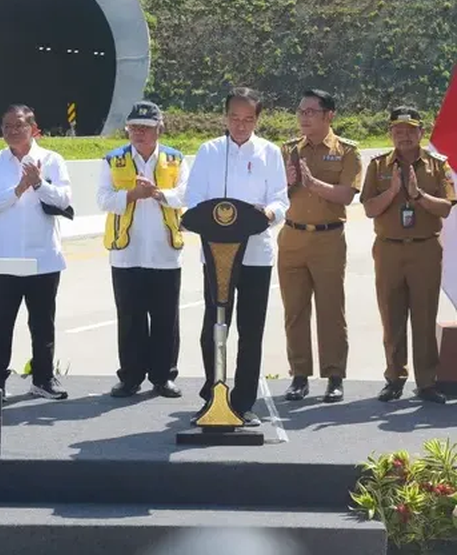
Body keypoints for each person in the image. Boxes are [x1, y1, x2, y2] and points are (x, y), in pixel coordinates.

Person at [185, 87, 289, 427]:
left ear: (257, 119)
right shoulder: (208, 151)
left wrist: (269, 214)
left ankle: (243, 402)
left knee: (250, 330)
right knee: (213, 328)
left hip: (257, 254)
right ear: (225, 116)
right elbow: (194, 199)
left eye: (248, 119)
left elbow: (280, 200)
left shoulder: (270, 152)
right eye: (234, 118)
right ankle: (213, 394)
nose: (240, 125)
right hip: (216, 255)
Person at [361, 106, 456, 404]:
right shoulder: (378, 166)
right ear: (390, 133)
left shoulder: (438, 165)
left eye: (410, 130)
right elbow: (368, 209)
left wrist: (417, 195)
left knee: (425, 317)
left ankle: (427, 382)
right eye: (397, 131)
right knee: (391, 316)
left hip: (425, 248)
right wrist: (392, 192)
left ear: (421, 132)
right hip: (388, 248)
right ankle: (394, 378)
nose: (404, 136)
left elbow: (446, 207)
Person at [0, 104, 71, 401]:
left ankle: (43, 379)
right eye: (6, 126)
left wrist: (39, 183)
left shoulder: (52, 160)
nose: (11, 131)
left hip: (42, 258)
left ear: (32, 127)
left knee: (43, 322)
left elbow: (64, 199)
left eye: (18, 125)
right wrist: (19, 188)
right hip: (3, 258)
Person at [97, 101, 188, 399]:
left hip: (164, 253)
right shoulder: (113, 159)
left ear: (159, 128)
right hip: (127, 253)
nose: (139, 133)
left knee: (165, 318)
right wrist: (132, 195)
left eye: (146, 128)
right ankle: (130, 377)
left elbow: (187, 194)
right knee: (130, 317)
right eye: (134, 127)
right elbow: (103, 199)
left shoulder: (175, 159)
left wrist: (160, 195)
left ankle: (164, 377)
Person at [278, 89, 362, 403]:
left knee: (331, 309)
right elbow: (271, 195)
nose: (304, 117)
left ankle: (334, 376)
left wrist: (313, 184)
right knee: (295, 310)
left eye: (312, 111)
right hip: (292, 237)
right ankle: (299, 376)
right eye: (301, 111)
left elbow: (346, 195)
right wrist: (285, 183)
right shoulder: (287, 150)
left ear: (329, 115)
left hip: (328, 238)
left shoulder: (346, 151)